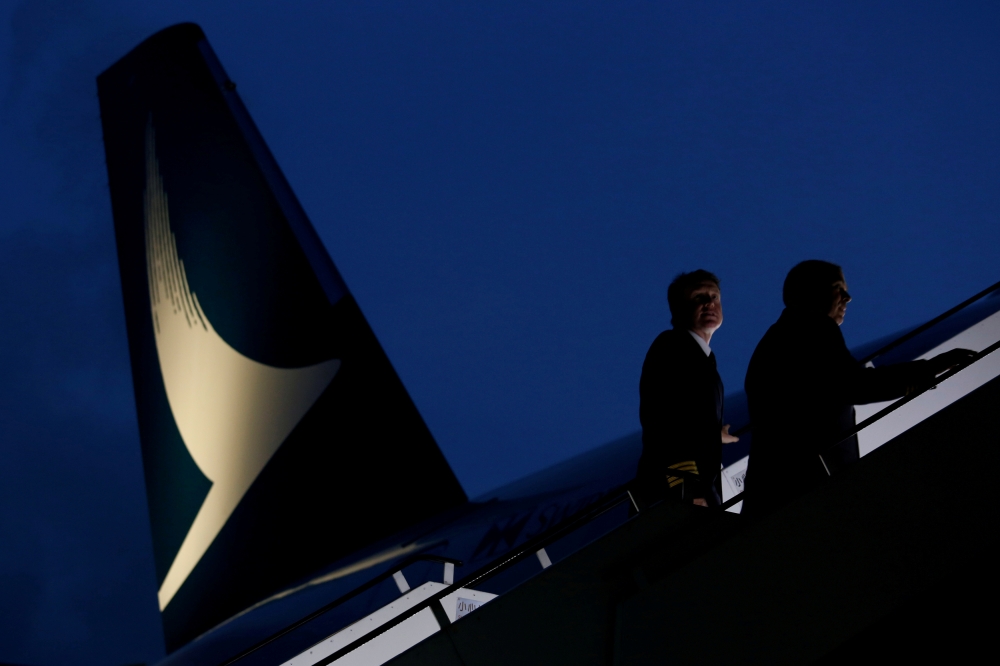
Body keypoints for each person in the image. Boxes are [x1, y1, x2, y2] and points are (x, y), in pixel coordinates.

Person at [742, 260, 973, 516]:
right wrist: (930, 368)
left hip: (776, 490)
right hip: (805, 488)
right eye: (838, 288)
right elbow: (855, 384)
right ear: (808, 291)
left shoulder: (778, 337)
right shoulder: (812, 326)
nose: (848, 298)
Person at [635, 270, 738, 510]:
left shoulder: (702, 356)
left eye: (715, 297)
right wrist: (688, 490)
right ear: (678, 309)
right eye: (698, 297)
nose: (710, 302)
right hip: (683, 489)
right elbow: (664, 421)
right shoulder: (672, 346)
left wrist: (713, 432)